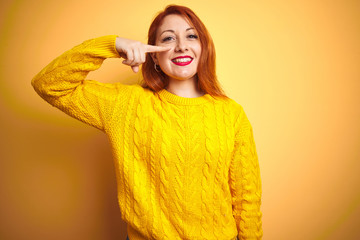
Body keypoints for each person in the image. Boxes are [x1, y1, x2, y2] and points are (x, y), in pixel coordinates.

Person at [32, 4, 262, 240]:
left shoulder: (231, 114)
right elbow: (48, 84)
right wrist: (112, 45)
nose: (181, 46)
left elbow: (247, 197)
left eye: (191, 36)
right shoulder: (126, 105)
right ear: (153, 54)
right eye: (168, 38)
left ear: (203, 47)